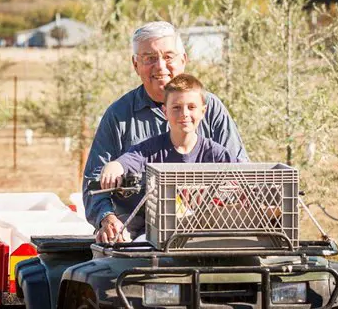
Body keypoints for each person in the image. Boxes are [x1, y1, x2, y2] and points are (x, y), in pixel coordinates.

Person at [83, 21, 248, 243]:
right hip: (134, 237)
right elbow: (94, 181)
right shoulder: (118, 116)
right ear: (135, 64)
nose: (160, 67)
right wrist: (107, 218)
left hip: (206, 232)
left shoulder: (213, 109)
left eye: (168, 56)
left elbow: (242, 173)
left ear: (183, 60)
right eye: (149, 58)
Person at [98, 74, 236, 238]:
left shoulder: (217, 154)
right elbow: (125, 162)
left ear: (203, 111)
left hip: (206, 233)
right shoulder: (150, 149)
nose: (184, 114)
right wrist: (112, 168)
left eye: (191, 107)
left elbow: (238, 187)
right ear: (165, 112)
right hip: (157, 236)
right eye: (176, 108)